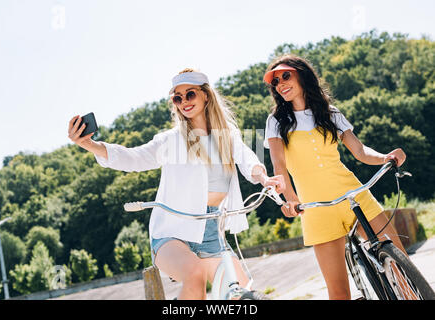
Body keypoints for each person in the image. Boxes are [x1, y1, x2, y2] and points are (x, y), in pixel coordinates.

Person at [68, 68, 285, 299]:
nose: (184, 102)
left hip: (212, 231)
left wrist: (264, 178)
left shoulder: (227, 134)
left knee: (241, 292)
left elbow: (247, 159)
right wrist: (91, 145)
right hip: (173, 230)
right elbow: (134, 158)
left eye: (190, 94)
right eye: (177, 98)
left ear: (206, 95)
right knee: (195, 275)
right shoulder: (172, 139)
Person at [262, 54, 407, 300]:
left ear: (301, 74)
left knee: (401, 269)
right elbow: (279, 167)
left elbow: (360, 152)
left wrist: (385, 157)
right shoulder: (276, 121)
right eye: (275, 81)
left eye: (285, 75)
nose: (280, 84)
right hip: (316, 209)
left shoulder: (330, 113)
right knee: (339, 292)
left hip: (354, 195)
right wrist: (290, 199)